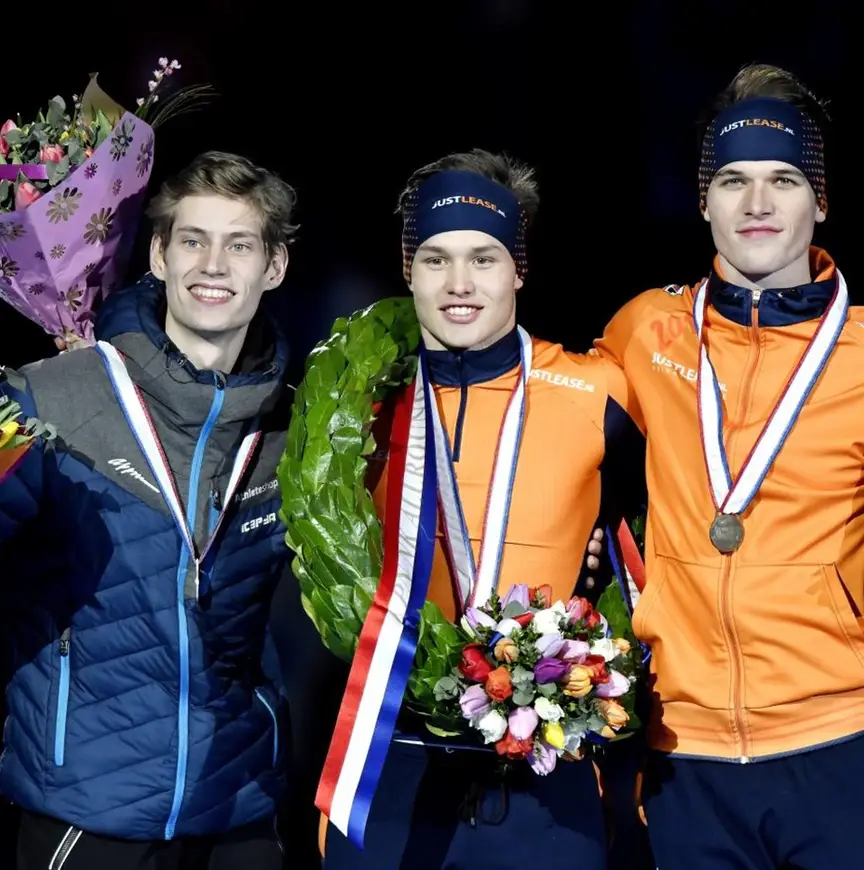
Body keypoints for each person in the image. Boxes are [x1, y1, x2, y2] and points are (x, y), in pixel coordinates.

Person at [318, 149, 647, 870]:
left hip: (547, 782)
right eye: (434, 260)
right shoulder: (362, 406)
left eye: (484, 258)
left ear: (520, 268)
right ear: (407, 270)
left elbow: (656, 536)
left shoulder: (601, 393)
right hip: (393, 769)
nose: (459, 284)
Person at [594, 63, 864, 869]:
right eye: (734, 180)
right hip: (688, 754)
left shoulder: (860, 356)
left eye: (784, 180)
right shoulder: (647, 330)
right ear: (703, 198)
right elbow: (545, 422)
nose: (757, 204)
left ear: (820, 201)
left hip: (841, 737)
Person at [0, 150, 296, 869]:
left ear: (275, 267)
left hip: (239, 809)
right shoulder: (50, 399)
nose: (213, 264)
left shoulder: (301, 428)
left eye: (240, 244)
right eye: (192, 240)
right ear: (159, 256)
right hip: (87, 812)